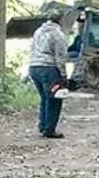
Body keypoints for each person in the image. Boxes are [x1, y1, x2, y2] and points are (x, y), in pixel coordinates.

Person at [28, 9, 69, 140]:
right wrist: (63, 75)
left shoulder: (37, 32)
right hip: (49, 69)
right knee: (54, 98)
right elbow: (60, 57)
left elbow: (33, 49)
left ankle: (43, 125)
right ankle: (49, 129)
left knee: (45, 97)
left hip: (34, 67)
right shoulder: (58, 35)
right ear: (60, 20)